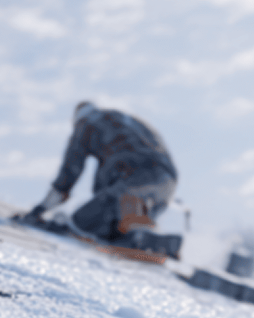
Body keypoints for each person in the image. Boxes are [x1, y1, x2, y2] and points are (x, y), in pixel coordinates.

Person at [23, 102, 178, 250]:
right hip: (167, 180)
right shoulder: (127, 120)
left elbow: (69, 173)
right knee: (121, 217)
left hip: (134, 176)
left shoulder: (87, 124)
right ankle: (144, 236)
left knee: (83, 221)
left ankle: (138, 237)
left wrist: (40, 209)